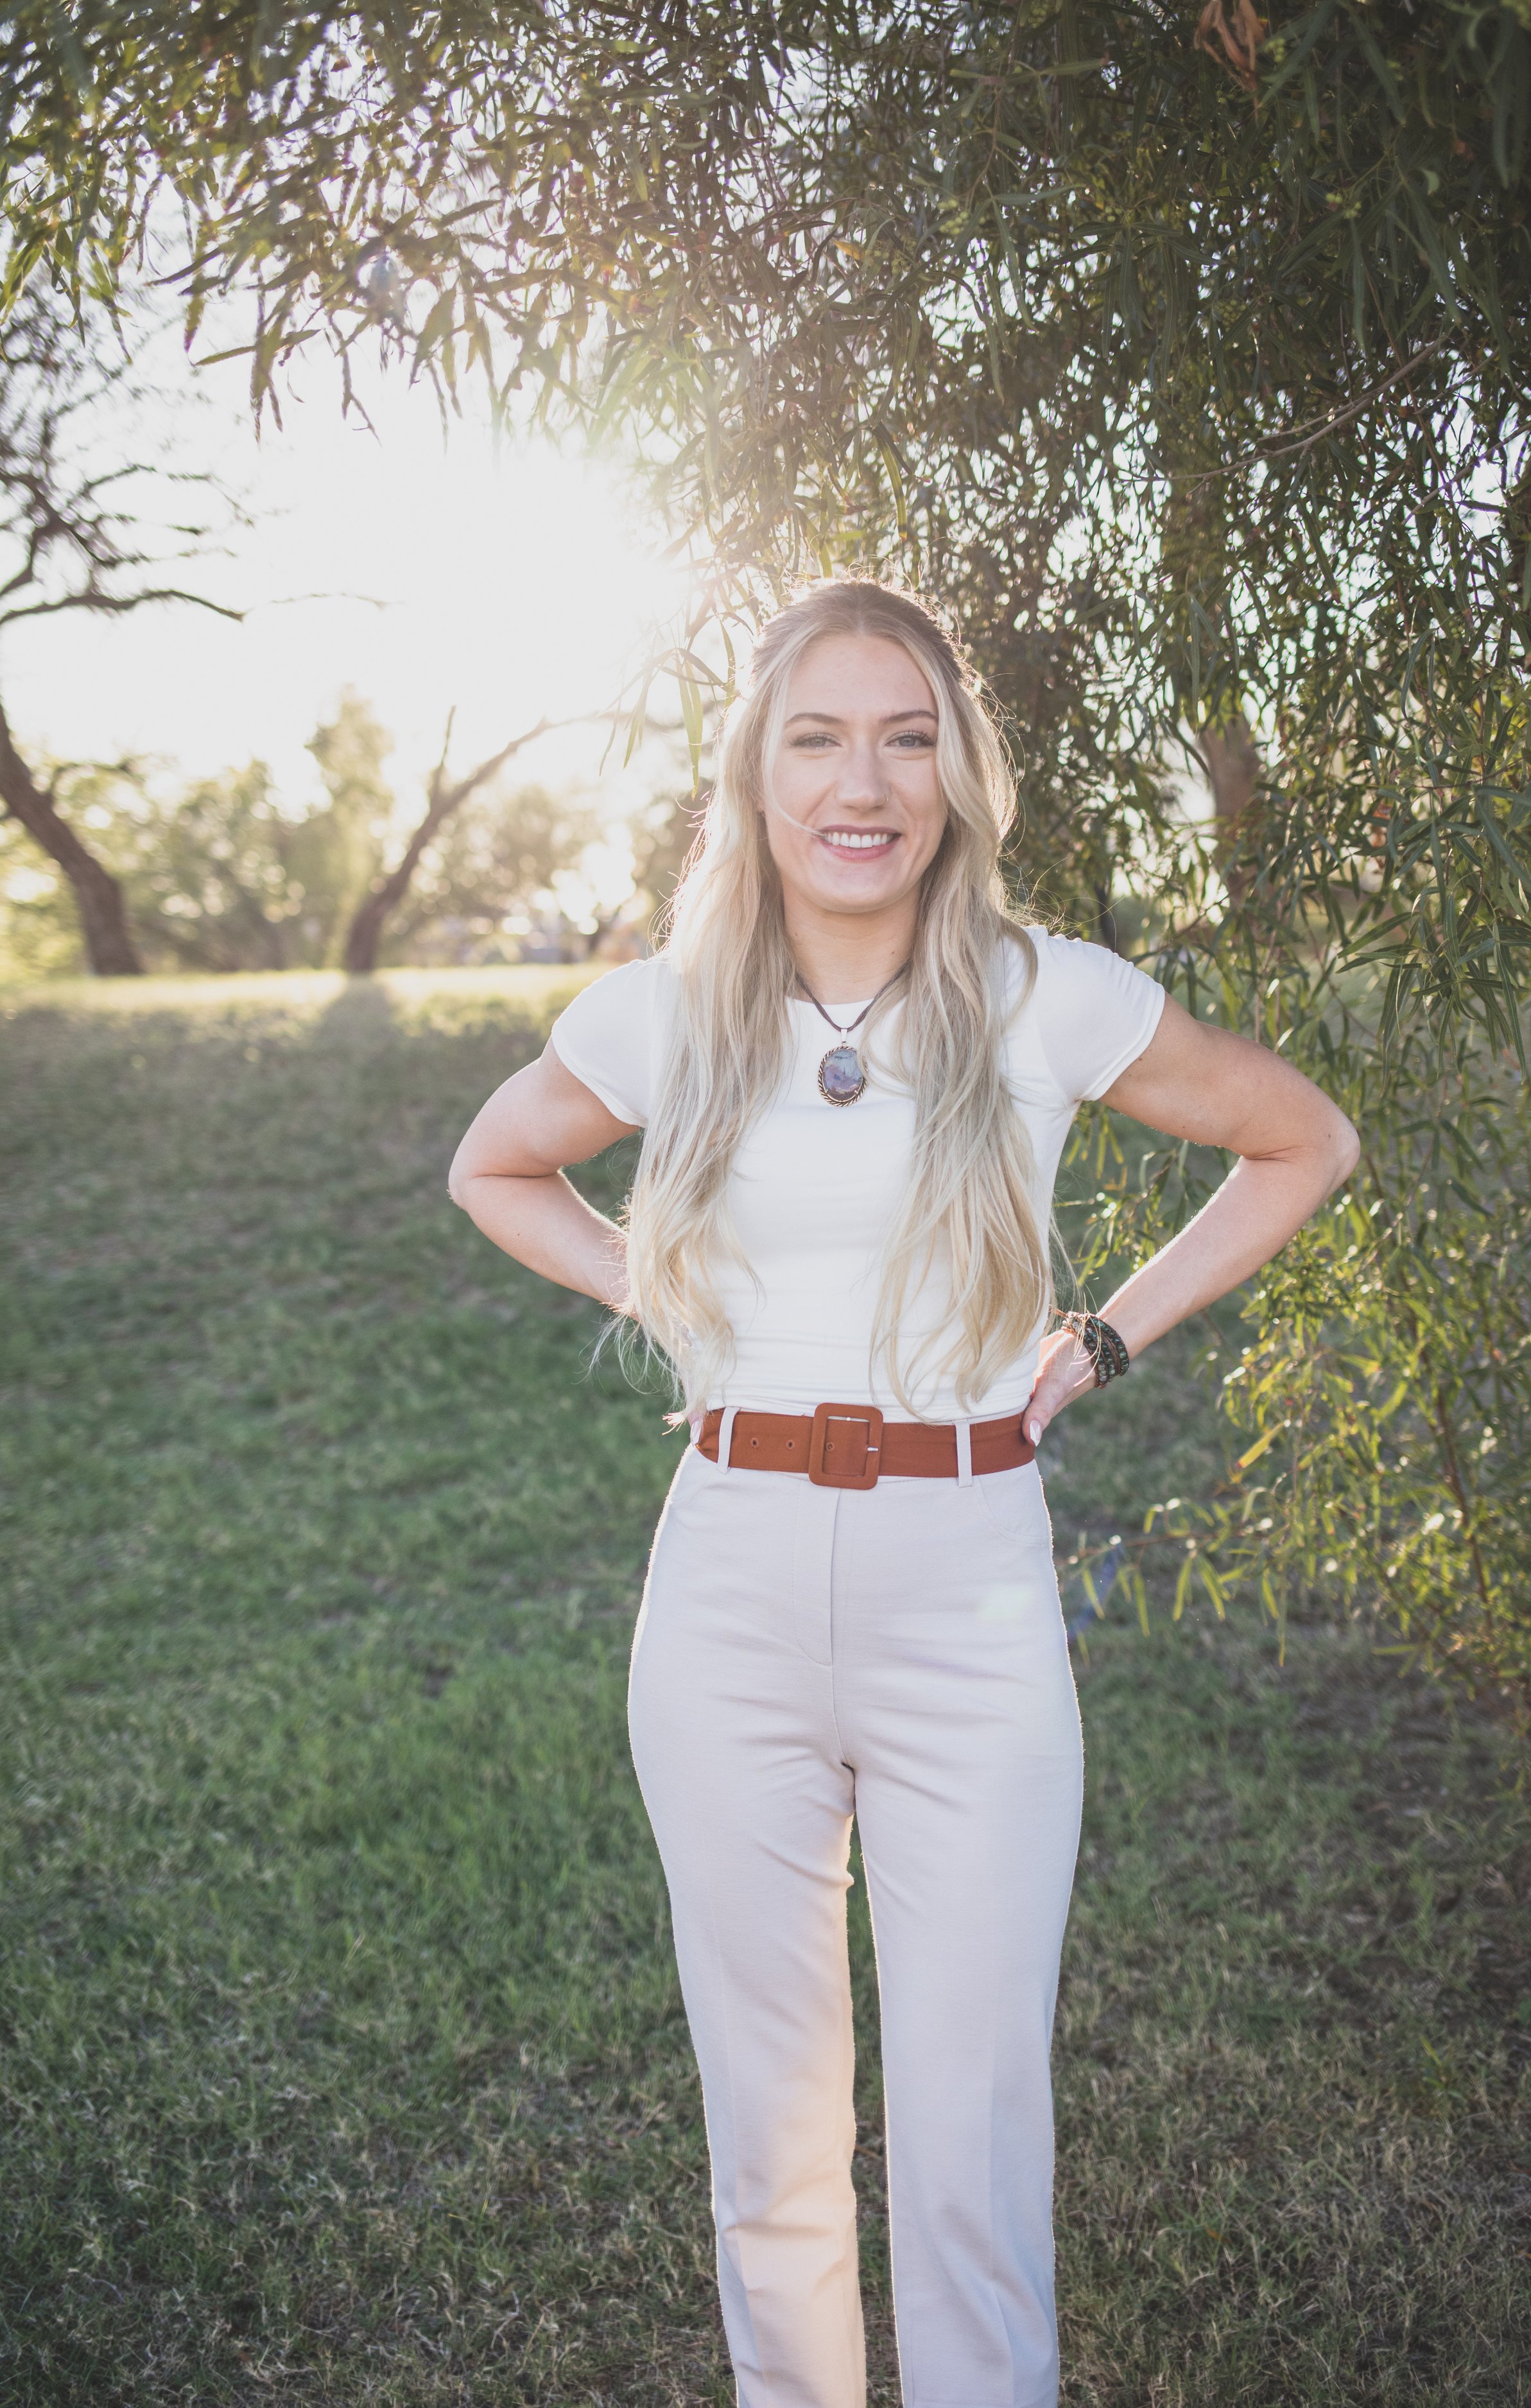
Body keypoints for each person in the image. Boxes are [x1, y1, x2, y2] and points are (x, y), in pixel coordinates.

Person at [449, 580, 1358, 2408]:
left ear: (954, 772)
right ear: (754, 776)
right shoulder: (662, 1013)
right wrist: (668, 1290)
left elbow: (1302, 1138)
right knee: (769, 2130)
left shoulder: (1044, 998)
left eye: (905, 733)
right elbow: (495, 1166)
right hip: (727, 1587)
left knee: (970, 2119)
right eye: (816, 734)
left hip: (969, 1590)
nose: (861, 780)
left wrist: (1103, 1335)